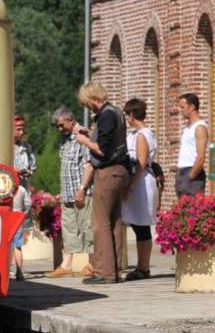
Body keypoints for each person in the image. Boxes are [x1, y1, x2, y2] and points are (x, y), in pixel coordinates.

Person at [74, 82, 130, 284]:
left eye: (87, 103)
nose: (87, 107)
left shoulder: (106, 114)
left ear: (93, 98)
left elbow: (102, 149)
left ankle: (104, 272)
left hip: (108, 171)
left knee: (100, 223)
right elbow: (110, 140)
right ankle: (114, 270)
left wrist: (85, 141)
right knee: (114, 221)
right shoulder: (117, 112)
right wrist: (90, 134)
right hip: (122, 171)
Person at [45, 107, 95, 278]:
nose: (60, 129)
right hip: (67, 193)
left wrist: (82, 189)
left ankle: (92, 263)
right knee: (69, 229)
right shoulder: (64, 139)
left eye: (61, 125)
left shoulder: (82, 136)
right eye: (57, 127)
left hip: (81, 192)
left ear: (70, 119)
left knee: (86, 227)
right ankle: (66, 265)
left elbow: (89, 164)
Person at [121, 99, 157, 281]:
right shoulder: (137, 134)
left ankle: (143, 266)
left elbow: (141, 163)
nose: (127, 119)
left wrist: (130, 186)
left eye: (127, 115)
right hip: (139, 182)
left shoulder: (142, 135)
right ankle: (141, 265)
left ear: (132, 115)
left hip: (141, 183)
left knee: (141, 225)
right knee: (137, 225)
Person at [10, 114, 36, 281]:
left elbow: (33, 165)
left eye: (22, 128)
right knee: (14, 228)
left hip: (23, 190)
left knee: (18, 229)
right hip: (11, 191)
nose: (21, 132)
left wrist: (29, 170)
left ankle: (18, 270)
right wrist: (15, 171)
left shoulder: (26, 147)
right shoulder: (4, 147)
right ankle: (16, 270)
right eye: (18, 129)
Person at [176, 93, 208, 198]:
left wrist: (190, 176)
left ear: (192, 106)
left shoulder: (200, 127)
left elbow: (201, 157)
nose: (180, 110)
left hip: (191, 172)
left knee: (192, 209)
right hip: (182, 171)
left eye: (182, 107)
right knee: (182, 211)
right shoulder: (187, 128)